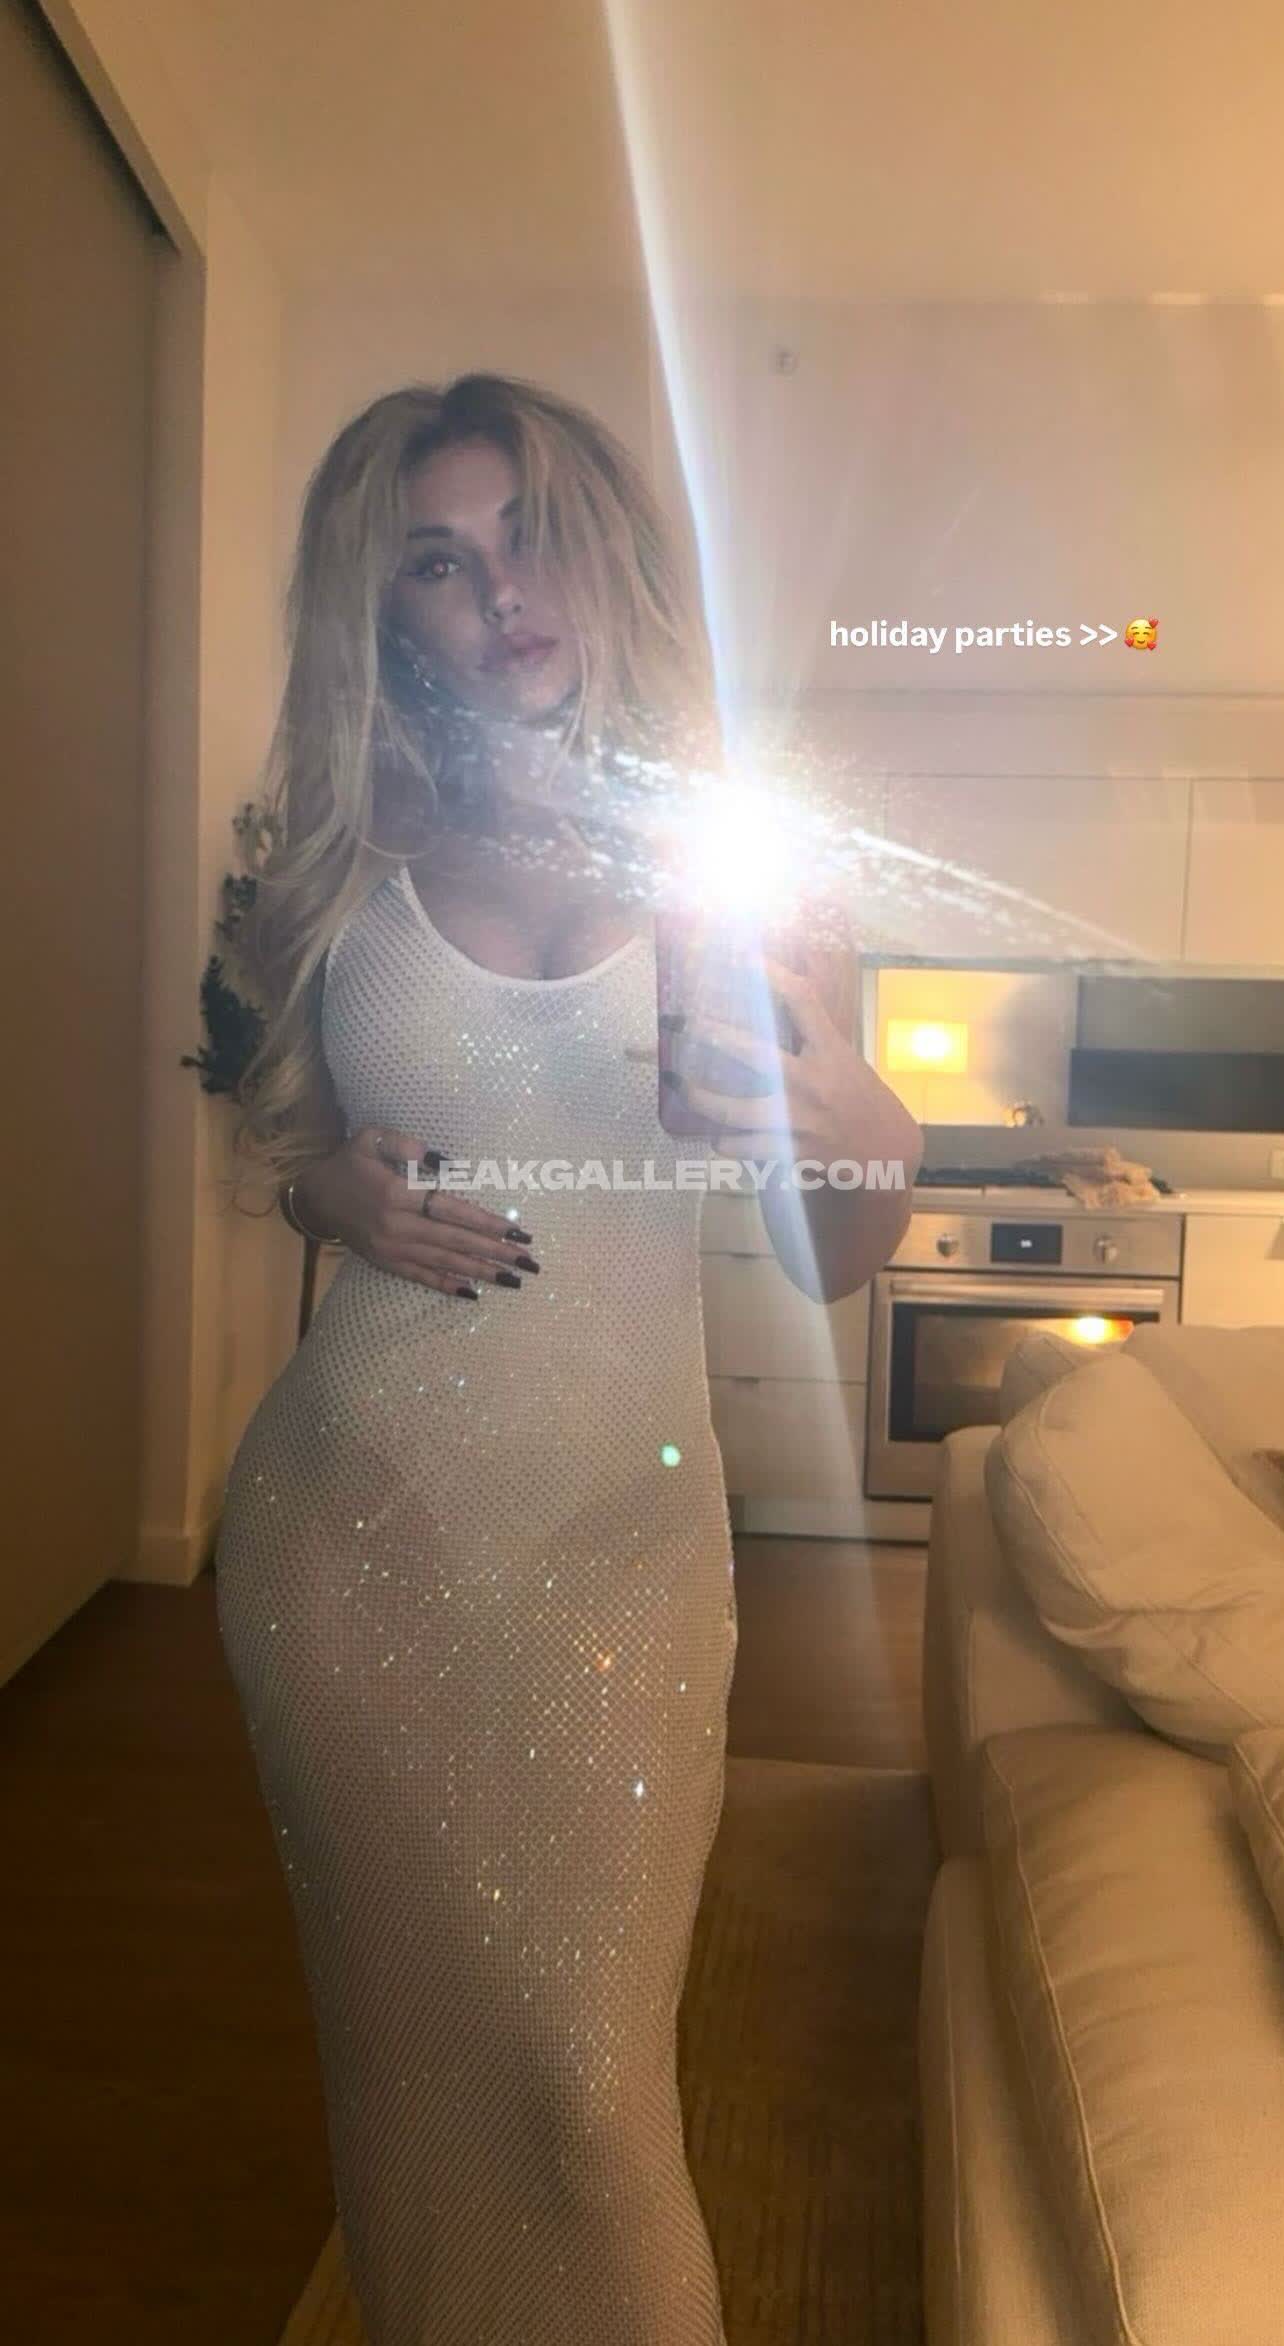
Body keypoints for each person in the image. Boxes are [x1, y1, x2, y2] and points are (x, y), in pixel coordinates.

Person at [214, 370, 922, 2346]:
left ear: (602, 551)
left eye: (527, 533)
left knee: (591, 2094)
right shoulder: (350, 854)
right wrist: (330, 1195)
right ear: (391, 617)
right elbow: (296, 1149)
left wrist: (859, 1113)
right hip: (347, 1545)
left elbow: (837, 1256)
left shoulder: (746, 886)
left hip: (624, 1552)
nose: (500, 589)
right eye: (440, 562)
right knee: (409, 2064)